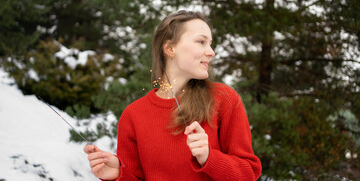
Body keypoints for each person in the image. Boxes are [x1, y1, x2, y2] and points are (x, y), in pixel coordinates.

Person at [84, 10, 262, 180]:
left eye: (210, 43)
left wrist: (209, 158)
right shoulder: (133, 116)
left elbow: (248, 174)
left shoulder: (224, 99)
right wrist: (118, 175)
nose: (211, 52)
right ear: (170, 48)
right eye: (201, 42)